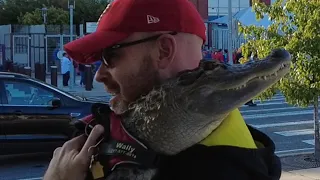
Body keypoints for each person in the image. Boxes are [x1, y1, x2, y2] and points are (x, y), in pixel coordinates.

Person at [44, 0, 281, 179]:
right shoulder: (110, 133)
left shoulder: (219, 168)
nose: (98, 74)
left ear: (163, 51)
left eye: (111, 55)